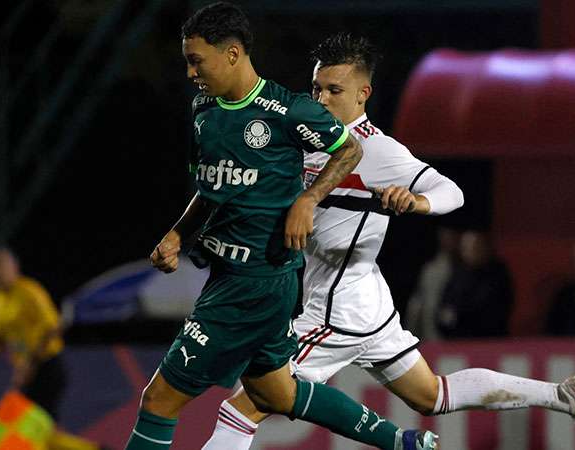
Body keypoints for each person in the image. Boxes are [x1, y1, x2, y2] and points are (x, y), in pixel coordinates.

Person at [199, 32, 575, 449]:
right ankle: (563, 395)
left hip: (336, 308)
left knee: (244, 406)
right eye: (316, 88)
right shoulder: (311, 140)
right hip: (366, 298)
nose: (321, 98)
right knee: (432, 395)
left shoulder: (377, 151)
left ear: (363, 94)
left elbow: (453, 193)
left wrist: (415, 202)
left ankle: (398, 442)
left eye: (334, 90)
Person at [126, 4, 439, 450]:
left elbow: (347, 150)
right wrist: (178, 233)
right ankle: (401, 442)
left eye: (198, 60)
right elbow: (211, 188)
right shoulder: (203, 110)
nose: (191, 71)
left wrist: (307, 199)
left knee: (158, 401)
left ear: (232, 54)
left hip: (252, 287)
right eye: (187, 61)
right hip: (230, 276)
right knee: (276, 392)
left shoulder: (287, 112)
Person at [0, 247, 102, 450]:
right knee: (15, 435)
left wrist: (28, 364)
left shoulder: (29, 291)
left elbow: (53, 327)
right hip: (27, 374)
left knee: (21, 437)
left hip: (47, 370)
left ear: (14, 266)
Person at [436, 230, 514, 338]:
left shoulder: (496, 274)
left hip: (490, 340)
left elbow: (488, 311)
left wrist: (459, 315)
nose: (470, 251)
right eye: (465, 248)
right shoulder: (458, 274)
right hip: (457, 341)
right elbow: (445, 310)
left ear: (485, 247)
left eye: (475, 247)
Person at [406, 226, 460, 341]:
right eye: (445, 237)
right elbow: (418, 302)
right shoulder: (430, 269)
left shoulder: (464, 267)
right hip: (431, 330)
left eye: (451, 237)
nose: (448, 241)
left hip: (457, 334)